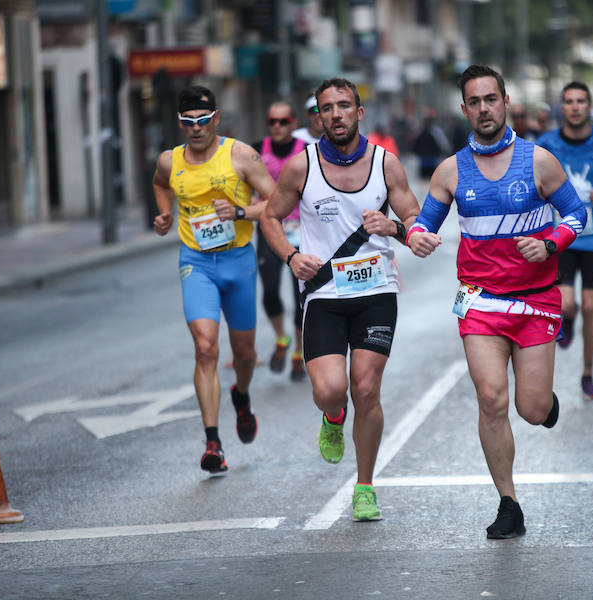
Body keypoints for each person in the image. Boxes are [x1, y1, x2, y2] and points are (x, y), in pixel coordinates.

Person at [406, 65, 586, 539]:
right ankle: (508, 503)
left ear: (505, 101)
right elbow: (424, 223)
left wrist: (550, 244)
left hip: (535, 301)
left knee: (529, 408)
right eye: (474, 101)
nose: (484, 109)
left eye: (491, 99)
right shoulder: (450, 171)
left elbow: (577, 213)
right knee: (490, 398)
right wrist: (417, 236)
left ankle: (544, 403)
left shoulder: (539, 162)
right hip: (481, 302)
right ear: (463, 109)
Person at [261, 78, 422, 521]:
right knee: (331, 389)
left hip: (376, 290)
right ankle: (333, 417)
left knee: (366, 388)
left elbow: (413, 217)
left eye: (344, 106)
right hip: (324, 293)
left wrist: (399, 230)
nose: (336, 114)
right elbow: (271, 218)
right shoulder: (301, 167)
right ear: (318, 116)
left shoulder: (386, 164)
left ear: (359, 113)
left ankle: (365, 486)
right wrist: (291, 257)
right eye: (327, 108)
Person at [152, 85, 278, 475]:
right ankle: (213, 443)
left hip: (239, 262)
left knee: (244, 354)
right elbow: (160, 184)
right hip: (197, 264)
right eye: (188, 122)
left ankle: (241, 395)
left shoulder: (240, 156)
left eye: (202, 121)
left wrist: (240, 211)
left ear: (216, 119)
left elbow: (278, 203)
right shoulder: (169, 162)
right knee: (205, 348)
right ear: (180, 123)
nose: (195, 129)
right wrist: (165, 215)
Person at [536, 81, 593, 402]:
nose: (575, 107)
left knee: (590, 305)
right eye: (569, 101)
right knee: (567, 303)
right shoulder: (546, 144)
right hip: (559, 236)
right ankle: (568, 317)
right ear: (561, 108)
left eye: (580, 101)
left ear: (590, 107)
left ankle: (588, 374)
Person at [251, 101, 309, 380]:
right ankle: (281, 339)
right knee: (270, 290)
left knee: (301, 294)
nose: (277, 126)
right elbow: (241, 180)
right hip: (269, 229)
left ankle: (298, 351)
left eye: (283, 121)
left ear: (293, 122)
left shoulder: (306, 151)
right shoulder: (256, 151)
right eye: (272, 121)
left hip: (301, 229)